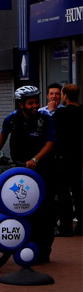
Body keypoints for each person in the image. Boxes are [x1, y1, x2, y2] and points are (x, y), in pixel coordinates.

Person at [0, 86, 57, 263]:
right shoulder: (11, 119)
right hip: (20, 170)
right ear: (21, 104)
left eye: (36, 102)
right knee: (21, 208)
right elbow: (3, 134)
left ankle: (43, 251)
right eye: (30, 103)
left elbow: (50, 143)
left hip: (42, 170)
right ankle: (23, 246)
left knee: (45, 211)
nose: (35, 105)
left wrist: (35, 159)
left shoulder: (45, 119)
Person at [52, 84, 82, 236]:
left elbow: (53, 133)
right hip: (79, 157)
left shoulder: (60, 114)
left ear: (65, 95)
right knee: (78, 191)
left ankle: (65, 226)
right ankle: (81, 225)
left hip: (63, 158)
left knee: (63, 192)